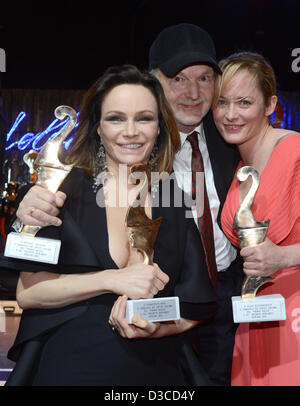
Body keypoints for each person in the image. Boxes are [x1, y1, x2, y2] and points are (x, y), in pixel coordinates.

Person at [11, 24, 243, 386]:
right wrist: (113, 279)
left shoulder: (170, 194)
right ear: (99, 127)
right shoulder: (62, 190)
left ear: (158, 128)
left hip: (157, 371)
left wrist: (159, 326)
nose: (131, 132)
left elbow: (196, 305)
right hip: (71, 364)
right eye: (116, 118)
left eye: (144, 118)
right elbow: (29, 294)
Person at [213, 51, 300, 385]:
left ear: (270, 105)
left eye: (244, 102)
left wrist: (283, 256)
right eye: (222, 103)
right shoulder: (239, 167)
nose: (231, 114)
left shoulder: (294, 152)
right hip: (256, 315)